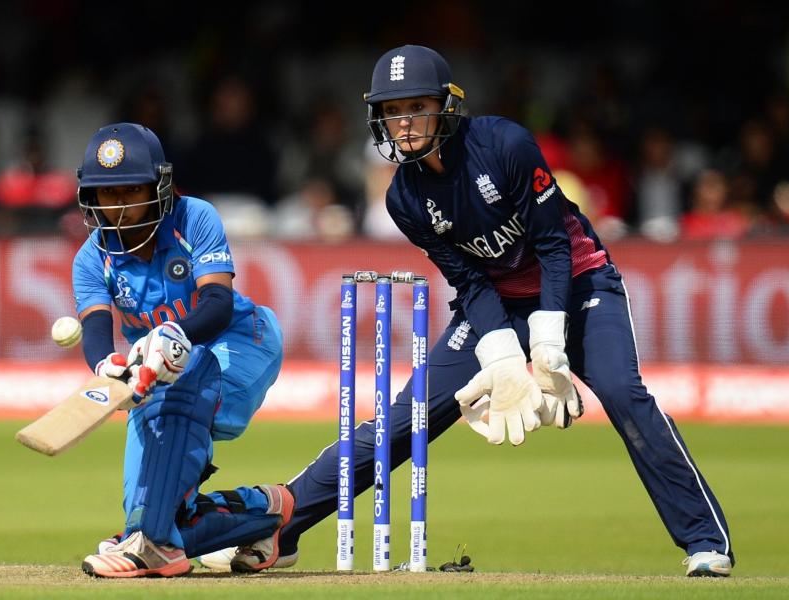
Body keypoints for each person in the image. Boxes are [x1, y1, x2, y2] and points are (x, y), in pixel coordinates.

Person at [228, 45, 734, 577]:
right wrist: (501, 355)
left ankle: (705, 540)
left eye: (416, 108)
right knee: (408, 419)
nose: (404, 124)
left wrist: (547, 344)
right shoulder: (404, 197)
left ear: (447, 106)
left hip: (580, 283)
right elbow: (467, 278)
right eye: (393, 112)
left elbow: (556, 247)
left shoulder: (506, 145)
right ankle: (286, 527)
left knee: (621, 392)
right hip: (494, 300)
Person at [71, 122, 293, 578]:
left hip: (239, 341)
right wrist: (106, 365)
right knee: (148, 489)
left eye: (131, 190)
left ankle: (150, 543)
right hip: (159, 364)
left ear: (160, 185)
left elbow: (216, 302)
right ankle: (264, 514)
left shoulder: (194, 217)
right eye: (106, 194)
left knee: (182, 387)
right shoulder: (91, 258)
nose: (119, 206)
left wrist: (177, 335)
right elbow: (95, 328)